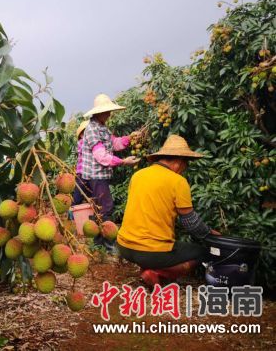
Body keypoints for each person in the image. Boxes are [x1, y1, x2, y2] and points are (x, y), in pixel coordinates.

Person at [116, 134, 220, 286]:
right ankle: (156, 272)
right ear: (179, 162)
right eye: (186, 165)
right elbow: (190, 223)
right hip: (150, 251)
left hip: (124, 246)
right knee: (202, 253)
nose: (184, 169)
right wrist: (209, 234)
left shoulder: (138, 175)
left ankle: (149, 268)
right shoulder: (178, 181)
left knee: (159, 246)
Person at [80, 94, 139, 248]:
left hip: (100, 175)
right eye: (107, 111)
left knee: (99, 207)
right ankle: (107, 243)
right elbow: (101, 156)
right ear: (98, 112)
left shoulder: (103, 128)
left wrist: (130, 138)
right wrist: (123, 161)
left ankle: (98, 241)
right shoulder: (92, 129)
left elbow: (115, 143)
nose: (109, 114)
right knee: (106, 207)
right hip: (95, 175)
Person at [72, 120, 90, 206]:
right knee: (77, 196)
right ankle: (72, 213)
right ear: (82, 135)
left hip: (89, 174)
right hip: (81, 174)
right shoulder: (81, 142)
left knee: (91, 194)